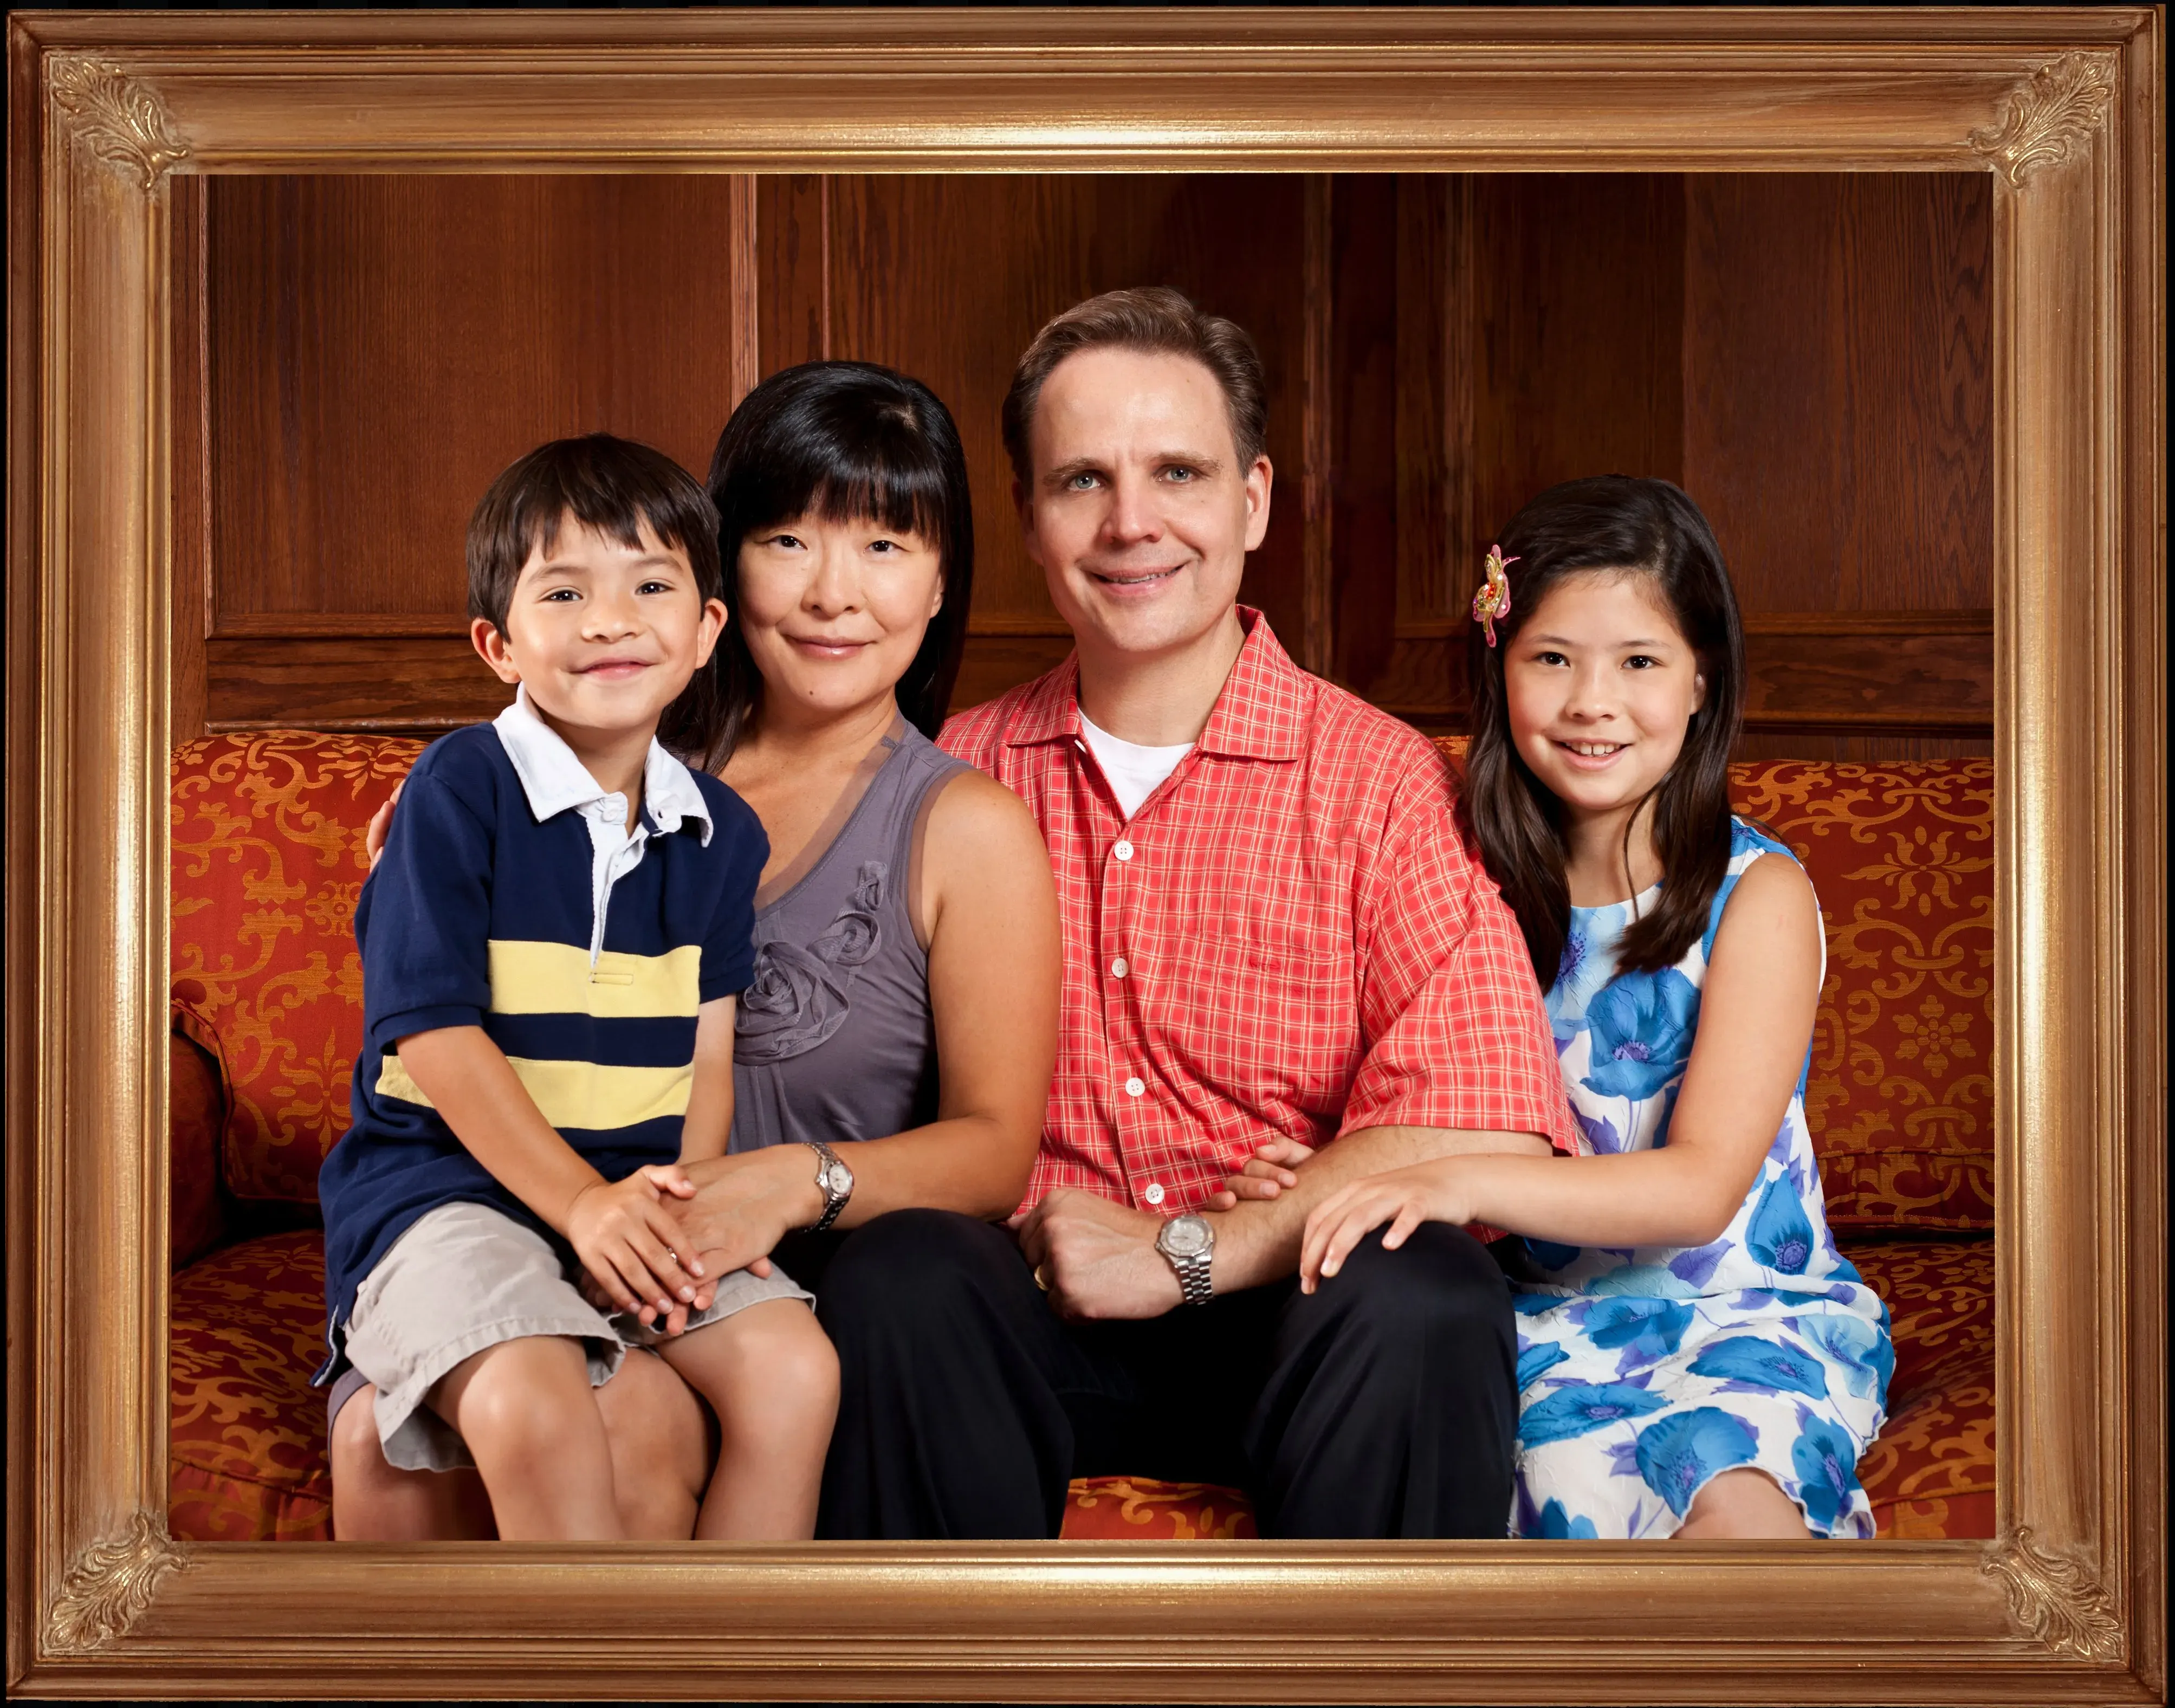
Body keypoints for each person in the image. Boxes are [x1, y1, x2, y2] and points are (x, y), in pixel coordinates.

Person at [784, 287, 1583, 1541]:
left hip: (1302, 1317)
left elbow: (1490, 1127)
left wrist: (1198, 1248)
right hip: (1022, 1318)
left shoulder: (1384, 783)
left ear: (1253, 501)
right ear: (1029, 518)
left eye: (1178, 472)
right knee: (896, 1275)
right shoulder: (945, 779)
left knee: (1426, 1286)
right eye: (1083, 480)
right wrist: (518, 814)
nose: (1133, 522)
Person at [329, 366, 1060, 1542]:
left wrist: (771, 1187)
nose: (834, 594)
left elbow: (992, 1150)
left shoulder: (956, 824)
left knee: (670, 1410)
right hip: (498, 1211)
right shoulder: (586, 756)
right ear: (730, 573)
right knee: (408, 1438)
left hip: (718, 1257)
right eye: (786, 540)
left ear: (940, 579)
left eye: (884, 545)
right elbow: (435, 1010)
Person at [1296, 476, 1894, 1539]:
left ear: (1702, 680)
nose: (1591, 702)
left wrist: (1439, 1174)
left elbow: (1701, 1188)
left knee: (1739, 1516)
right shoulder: (1448, 870)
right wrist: (1327, 1169)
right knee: (1527, 1497)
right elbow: (1368, 1089)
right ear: (1501, 666)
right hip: (1529, 1320)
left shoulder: (1757, 896)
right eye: (1553, 659)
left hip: (1740, 1309)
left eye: (1640, 662)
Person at [314, 434, 838, 1541]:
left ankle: (736, 1663)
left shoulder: (720, 834)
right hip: (446, 1197)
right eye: (565, 591)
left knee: (793, 1366)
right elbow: (439, 1040)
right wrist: (581, 1205)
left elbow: (707, 1055)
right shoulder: (460, 787)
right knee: (530, 1392)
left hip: (623, 1199)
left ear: (704, 631)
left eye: (651, 585)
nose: (611, 618)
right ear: (499, 643)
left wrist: (677, 1218)